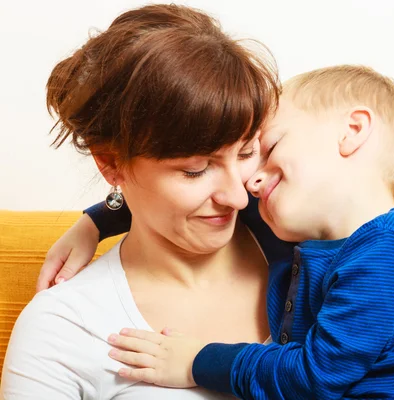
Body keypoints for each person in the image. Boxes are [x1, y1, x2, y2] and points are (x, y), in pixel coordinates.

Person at [42, 66, 394, 399]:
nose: (246, 187)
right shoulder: (307, 237)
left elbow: (315, 377)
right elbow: (176, 196)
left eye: (265, 149)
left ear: (352, 131)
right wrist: (96, 222)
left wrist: (198, 362)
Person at [0, 4, 283, 399]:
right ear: (111, 164)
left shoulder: (317, 249)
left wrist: (96, 220)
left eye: (247, 150)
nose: (238, 195)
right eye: (196, 170)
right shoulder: (64, 327)